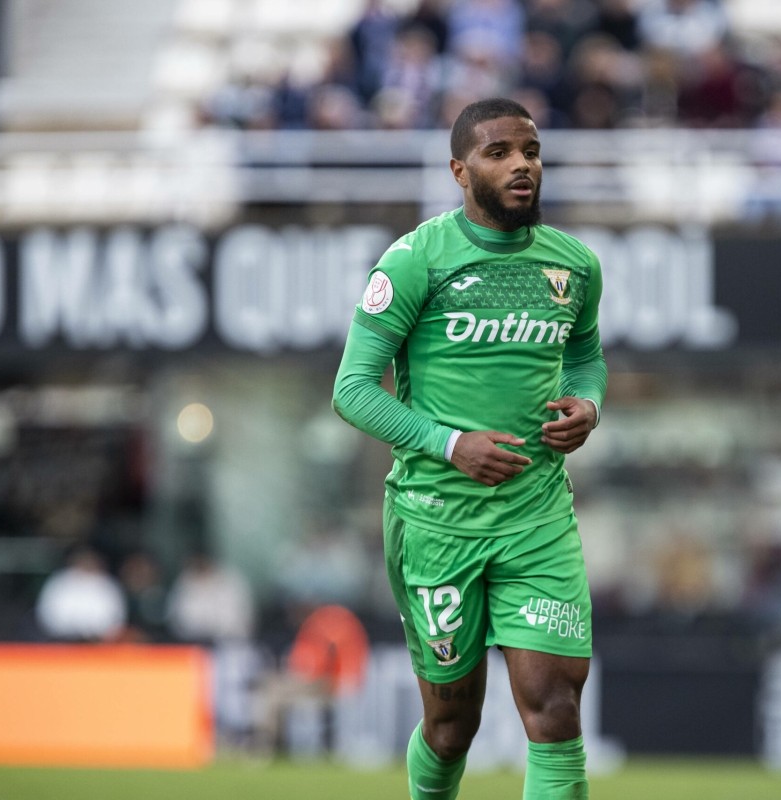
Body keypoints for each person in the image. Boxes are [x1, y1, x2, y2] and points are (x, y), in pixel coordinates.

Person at [332, 97, 607, 799]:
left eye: (531, 151)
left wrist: (588, 404)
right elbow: (352, 390)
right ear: (460, 171)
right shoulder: (415, 260)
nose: (522, 165)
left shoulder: (574, 265)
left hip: (537, 519)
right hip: (436, 523)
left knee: (555, 709)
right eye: (499, 152)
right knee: (453, 724)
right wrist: (450, 444)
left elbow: (584, 359)